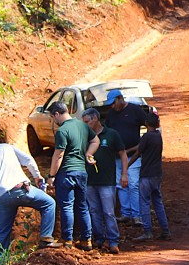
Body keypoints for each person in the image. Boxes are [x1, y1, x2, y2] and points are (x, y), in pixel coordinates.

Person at [0, 140, 58, 255]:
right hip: (22, 189)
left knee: (2, 232)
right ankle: (46, 238)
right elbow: (28, 160)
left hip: (3, 197)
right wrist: (37, 176)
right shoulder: (5, 147)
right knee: (49, 203)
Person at [47, 101, 100, 251]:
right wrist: (88, 154)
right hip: (82, 172)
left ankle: (67, 240)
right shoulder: (82, 125)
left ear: (57, 114)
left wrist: (51, 176)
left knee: (66, 206)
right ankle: (86, 240)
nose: (53, 121)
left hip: (67, 173)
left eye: (52, 117)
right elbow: (96, 140)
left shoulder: (62, 131)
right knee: (82, 207)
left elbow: (58, 155)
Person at [80, 108, 129, 254]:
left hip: (107, 181)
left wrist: (124, 174)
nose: (85, 125)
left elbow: (123, 154)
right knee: (94, 211)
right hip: (90, 181)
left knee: (108, 212)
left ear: (95, 119)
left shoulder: (111, 134)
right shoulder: (85, 137)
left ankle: (113, 240)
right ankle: (99, 239)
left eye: (87, 122)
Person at [104, 89, 148, 224]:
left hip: (133, 155)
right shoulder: (111, 115)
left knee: (133, 184)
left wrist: (141, 145)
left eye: (113, 103)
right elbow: (106, 131)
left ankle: (136, 214)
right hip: (117, 156)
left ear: (120, 99)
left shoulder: (135, 110)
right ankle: (126, 213)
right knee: (120, 185)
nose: (112, 106)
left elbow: (150, 125)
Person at [131, 113, 170, 241]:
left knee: (144, 203)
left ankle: (147, 231)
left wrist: (127, 165)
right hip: (157, 174)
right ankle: (165, 230)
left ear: (146, 124)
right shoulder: (158, 136)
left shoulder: (146, 137)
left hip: (146, 174)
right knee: (158, 202)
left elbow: (138, 153)